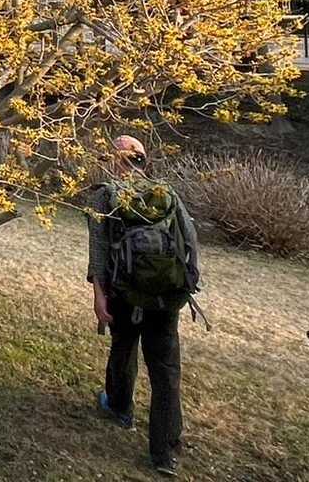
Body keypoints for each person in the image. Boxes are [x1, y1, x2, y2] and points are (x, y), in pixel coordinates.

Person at [86, 135, 202, 478]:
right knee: (166, 369)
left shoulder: (105, 195)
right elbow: (190, 239)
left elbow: (99, 250)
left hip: (124, 292)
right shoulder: (165, 193)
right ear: (143, 161)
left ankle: (120, 407)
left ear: (114, 161)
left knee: (123, 347)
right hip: (166, 295)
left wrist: (99, 296)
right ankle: (165, 451)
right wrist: (188, 282)